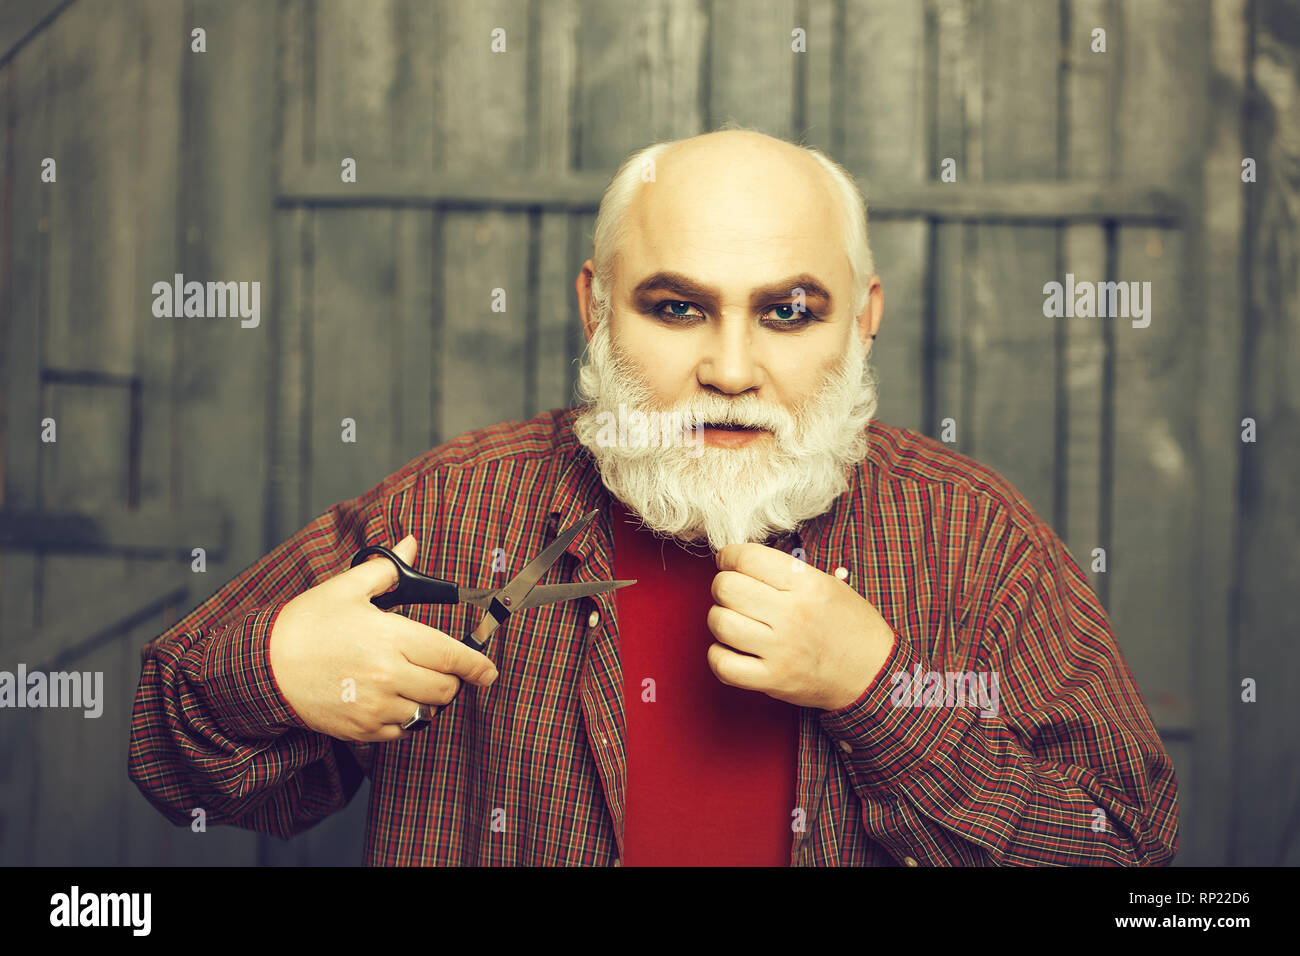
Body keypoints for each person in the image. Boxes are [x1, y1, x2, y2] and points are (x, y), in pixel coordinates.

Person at [128, 129, 1178, 866]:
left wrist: (880, 691)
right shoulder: (453, 514)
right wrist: (269, 673)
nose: (729, 366)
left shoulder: (971, 538)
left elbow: (1127, 849)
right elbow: (169, 746)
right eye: (675, 306)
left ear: (862, 321)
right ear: (595, 306)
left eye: (788, 312)